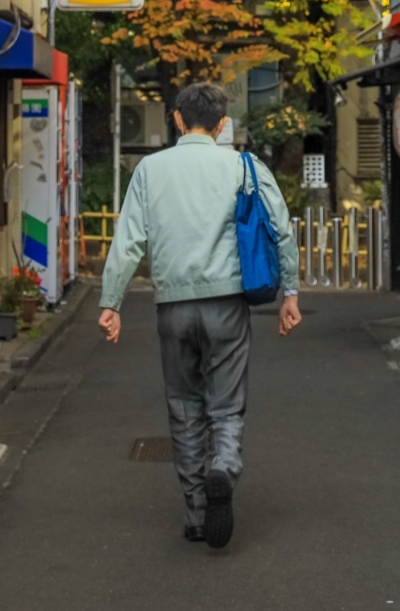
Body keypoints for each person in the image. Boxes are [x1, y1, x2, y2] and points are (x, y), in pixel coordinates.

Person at [98, 81, 301, 548]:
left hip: (172, 306)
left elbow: (128, 242)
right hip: (227, 302)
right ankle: (224, 467)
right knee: (225, 404)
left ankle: (195, 512)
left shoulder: (150, 169)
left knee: (184, 406)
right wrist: (290, 293)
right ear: (222, 125)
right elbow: (281, 230)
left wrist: (111, 303)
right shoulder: (243, 165)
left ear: (176, 119)